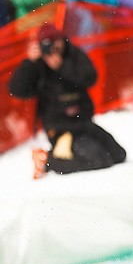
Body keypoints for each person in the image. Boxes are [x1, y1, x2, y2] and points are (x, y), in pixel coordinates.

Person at [9, 22, 126, 175]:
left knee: (118, 155)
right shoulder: (38, 64)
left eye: (56, 41)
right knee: (98, 161)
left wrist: (62, 66)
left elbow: (90, 77)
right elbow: (17, 90)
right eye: (48, 44)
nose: (53, 48)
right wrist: (29, 63)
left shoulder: (72, 54)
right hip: (60, 129)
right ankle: (47, 160)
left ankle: (56, 157)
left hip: (83, 124)